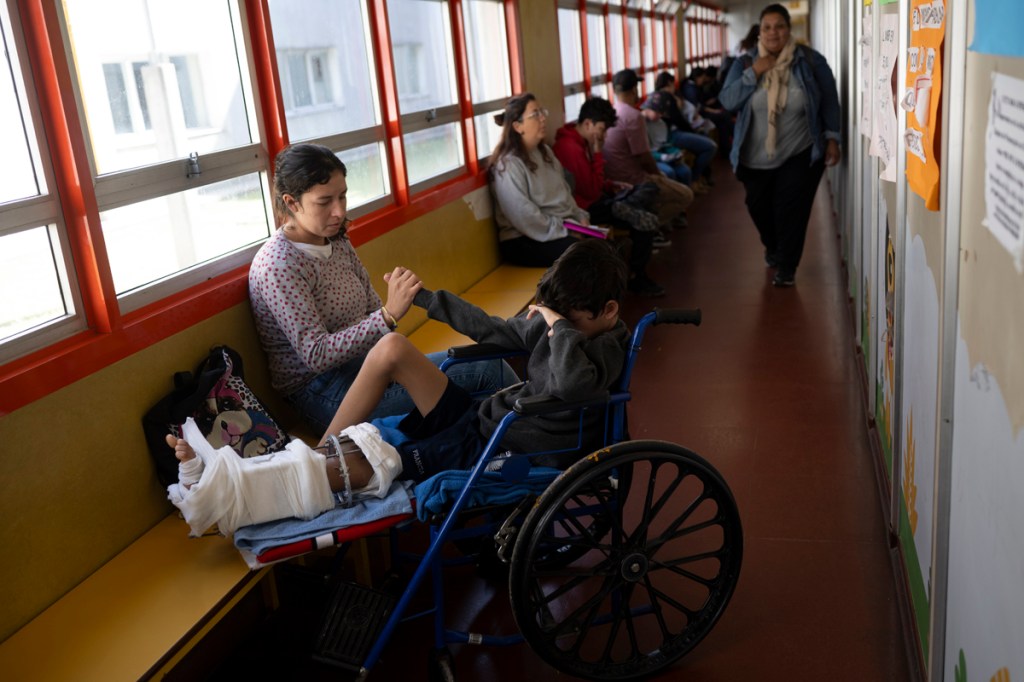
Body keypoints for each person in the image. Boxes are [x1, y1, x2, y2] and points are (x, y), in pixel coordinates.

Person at [167, 240, 631, 532]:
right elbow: (492, 329)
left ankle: (226, 495)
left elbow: (574, 384)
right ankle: (234, 477)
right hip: (484, 425)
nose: (553, 326)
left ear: (608, 312)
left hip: (504, 448)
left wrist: (558, 327)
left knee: (374, 460)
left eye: (568, 320)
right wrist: (427, 300)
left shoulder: (603, 347)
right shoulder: (558, 324)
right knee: (375, 410)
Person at [248, 143, 513, 435]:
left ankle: (522, 441)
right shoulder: (279, 265)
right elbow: (317, 354)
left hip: (373, 365)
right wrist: (387, 316)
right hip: (325, 394)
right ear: (292, 202)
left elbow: (372, 309)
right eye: (324, 202)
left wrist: (394, 321)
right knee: (484, 377)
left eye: (342, 196)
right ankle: (532, 445)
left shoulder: (335, 239)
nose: (339, 211)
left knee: (489, 366)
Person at [719, 3, 841, 287]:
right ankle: (774, 248)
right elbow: (727, 101)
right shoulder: (744, 64)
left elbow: (829, 101)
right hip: (754, 158)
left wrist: (832, 138)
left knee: (791, 211)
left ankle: (787, 267)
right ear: (759, 32)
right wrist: (754, 73)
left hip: (799, 152)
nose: (773, 33)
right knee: (759, 209)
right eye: (767, 27)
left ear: (789, 30)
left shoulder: (810, 61)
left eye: (779, 27)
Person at [552, 96, 666, 297]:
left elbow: (592, 183)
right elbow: (590, 191)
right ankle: (637, 277)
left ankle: (635, 270)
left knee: (649, 193)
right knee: (645, 220)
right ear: (588, 123)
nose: (603, 136)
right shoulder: (570, 148)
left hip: (597, 200)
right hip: (586, 209)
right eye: (602, 130)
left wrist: (610, 185)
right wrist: (598, 153)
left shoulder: (580, 141)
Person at [489, 93, 591, 267]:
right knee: (584, 255)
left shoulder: (545, 152)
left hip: (559, 229)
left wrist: (579, 217)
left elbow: (564, 193)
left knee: (605, 249)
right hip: (523, 239)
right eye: (535, 114)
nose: (543, 118)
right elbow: (524, 216)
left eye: (542, 112)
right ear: (518, 126)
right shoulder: (508, 164)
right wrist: (565, 230)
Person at [602, 69, 694, 232]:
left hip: (612, 177)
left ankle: (649, 225)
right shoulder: (633, 116)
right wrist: (658, 175)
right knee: (685, 195)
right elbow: (643, 157)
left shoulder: (612, 112)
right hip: (634, 180)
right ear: (634, 90)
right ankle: (648, 228)